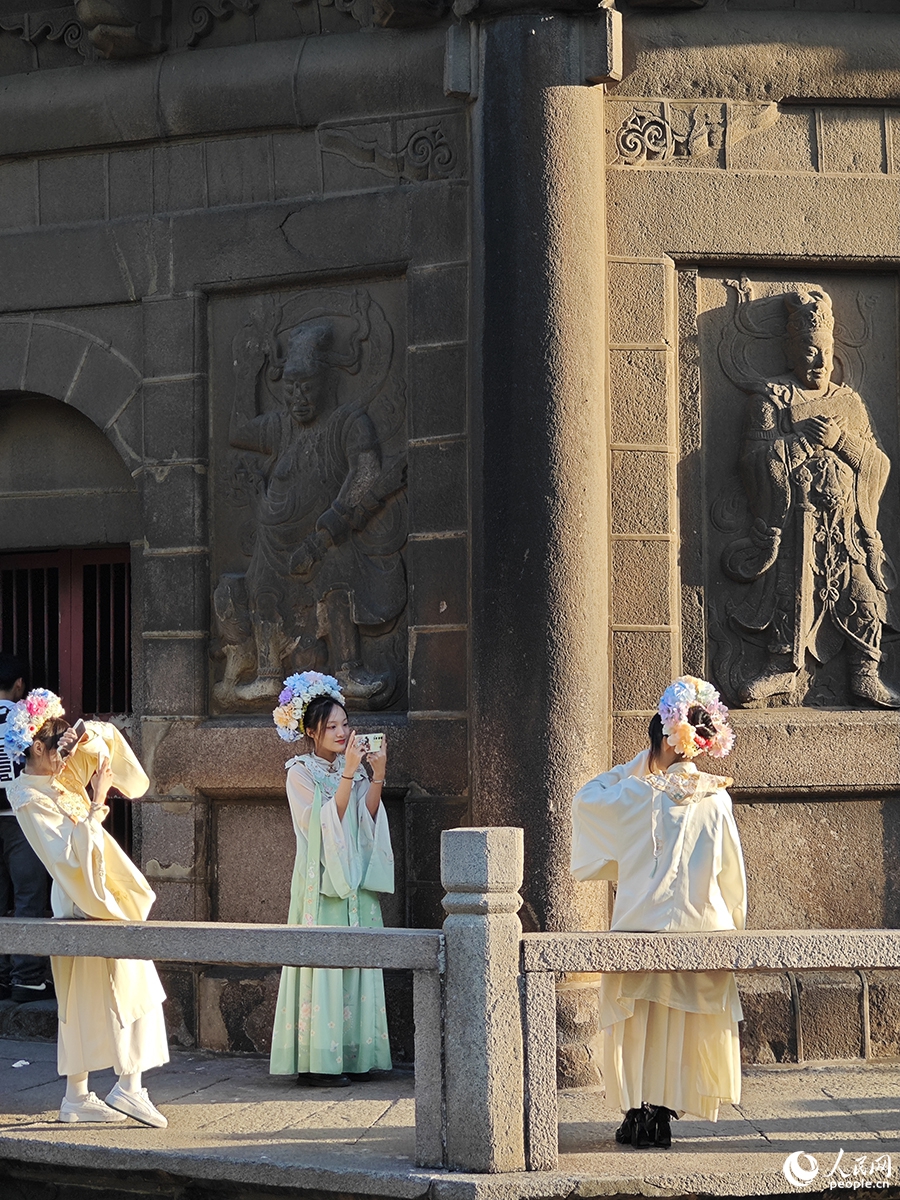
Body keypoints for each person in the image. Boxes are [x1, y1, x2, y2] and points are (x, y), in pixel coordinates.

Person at [571, 676, 746, 1148]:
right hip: (703, 931)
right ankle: (664, 1112)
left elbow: (585, 799)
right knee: (683, 1023)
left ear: (662, 742)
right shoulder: (719, 801)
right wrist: (734, 924)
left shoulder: (635, 793)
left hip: (639, 926)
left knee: (639, 1023)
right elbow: (732, 876)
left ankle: (638, 1110)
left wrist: (638, 766)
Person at [724, 286, 900, 707]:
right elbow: (752, 464)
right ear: (790, 350)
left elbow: (878, 464)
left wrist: (843, 443)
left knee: (860, 589)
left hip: (848, 525)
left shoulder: (848, 403)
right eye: (807, 351)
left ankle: (865, 670)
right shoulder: (771, 400)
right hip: (795, 521)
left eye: (824, 350)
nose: (819, 361)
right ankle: (782, 668)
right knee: (791, 591)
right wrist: (799, 443)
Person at [4, 689, 169, 1126]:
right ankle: (120, 1088)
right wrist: (96, 803)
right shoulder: (28, 796)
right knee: (115, 990)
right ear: (35, 746)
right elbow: (67, 859)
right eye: (56, 747)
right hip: (83, 895)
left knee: (121, 988)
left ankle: (90, 1093)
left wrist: (92, 732)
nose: (64, 757)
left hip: (95, 891)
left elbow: (121, 767)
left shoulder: (58, 773)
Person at [269, 670, 394, 1086]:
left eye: (344, 724)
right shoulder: (299, 773)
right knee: (322, 959)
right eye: (331, 726)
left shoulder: (351, 767)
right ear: (310, 730)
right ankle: (316, 1061)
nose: (341, 732)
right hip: (318, 884)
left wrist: (376, 773)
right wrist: (348, 774)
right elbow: (323, 825)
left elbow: (366, 819)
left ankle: (355, 1056)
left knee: (355, 958)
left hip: (353, 879)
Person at [0, 653, 53, 1003]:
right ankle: (27, 977)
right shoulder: (24, 717)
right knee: (28, 896)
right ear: (20, 685)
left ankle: (3, 975)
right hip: (18, 816)